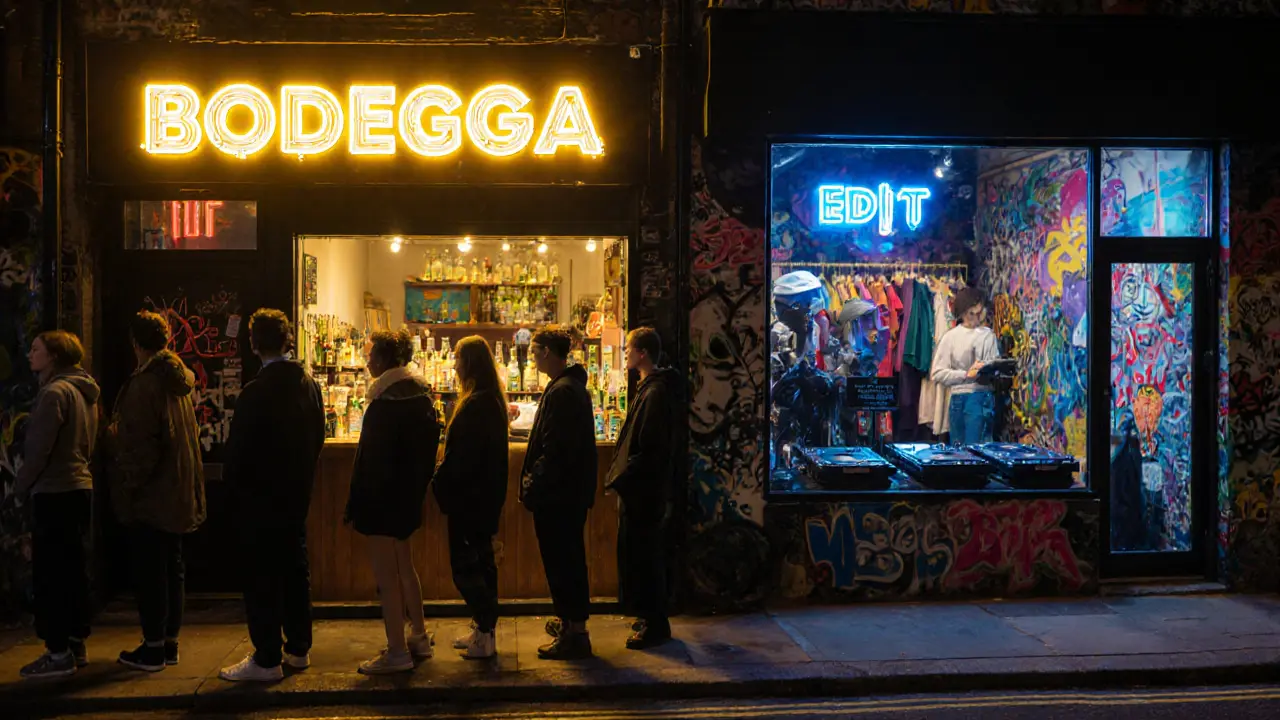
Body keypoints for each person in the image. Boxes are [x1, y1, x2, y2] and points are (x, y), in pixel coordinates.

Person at [219, 309, 326, 682]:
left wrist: (235, 492)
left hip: (260, 500)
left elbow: (238, 454)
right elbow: (319, 437)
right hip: (296, 495)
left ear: (253, 344)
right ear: (287, 340)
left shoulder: (255, 393)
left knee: (262, 577)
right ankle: (298, 648)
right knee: (296, 571)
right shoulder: (308, 385)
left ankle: (267, 657)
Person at [109, 310, 206, 672]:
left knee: (151, 572)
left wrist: (127, 488)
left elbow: (140, 447)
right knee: (173, 567)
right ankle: (168, 643)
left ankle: (152, 648)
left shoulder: (145, 385)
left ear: (136, 343)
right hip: (178, 491)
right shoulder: (177, 381)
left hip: (153, 495)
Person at [345, 329, 441, 674]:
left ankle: (397, 652)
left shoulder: (385, 403)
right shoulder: (421, 397)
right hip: (408, 497)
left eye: (370, 355)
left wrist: (357, 506)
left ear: (384, 360)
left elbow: (371, 463)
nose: (366, 361)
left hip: (382, 502)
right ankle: (419, 635)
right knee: (405, 567)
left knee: (387, 578)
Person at [16, 331, 100, 679]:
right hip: (79, 487)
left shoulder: (53, 394)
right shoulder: (84, 393)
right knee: (73, 569)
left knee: (50, 573)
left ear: (53, 356)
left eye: (36, 349)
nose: (30, 355)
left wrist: (19, 488)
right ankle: (75, 642)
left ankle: (57, 652)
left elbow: (38, 452)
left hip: (54, 491)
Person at [520, 328, 597, 660]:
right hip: (568, 492)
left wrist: (533, 483)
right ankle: (569, 623)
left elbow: (555, 450)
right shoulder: (569, 387)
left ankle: (575, 633)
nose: (532, 358)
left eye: (535, 352)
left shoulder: (563, 392)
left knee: (563, 561)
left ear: (549, 352)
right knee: (567, 559)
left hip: (559, 495)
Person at [433, 336, 509, 660]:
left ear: (470, 364)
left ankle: (485, 631)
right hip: (484, 497)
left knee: (467, 568)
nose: (454, 365)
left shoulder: (476, 404)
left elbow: (462, 457)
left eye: (458, 359)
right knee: (483, 564)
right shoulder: (490, 400)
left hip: (470, 499)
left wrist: (439, 480)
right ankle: (482, 631)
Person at [604, 327, 680, 650]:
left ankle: (655, 624)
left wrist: (623, 478)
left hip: (644, 492)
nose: (625, 354)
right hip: (643, 490)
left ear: (642, 354)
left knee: (645, 556)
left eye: (629, 349)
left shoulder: (655, 392)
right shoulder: (651, 388)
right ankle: (650, 617)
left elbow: (648, 448)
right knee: (641, 555)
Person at [929, 287, 999, 445]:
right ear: (962, 312)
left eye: (979, 313)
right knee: (960, 453)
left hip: (980, 396)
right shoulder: (951, 337)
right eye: (971, 313)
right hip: (959, 398)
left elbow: (994, 369)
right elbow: (937, 373)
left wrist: (986, 370)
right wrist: (966, 375)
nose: (975, 318)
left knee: (976, 452)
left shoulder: (988, 336)